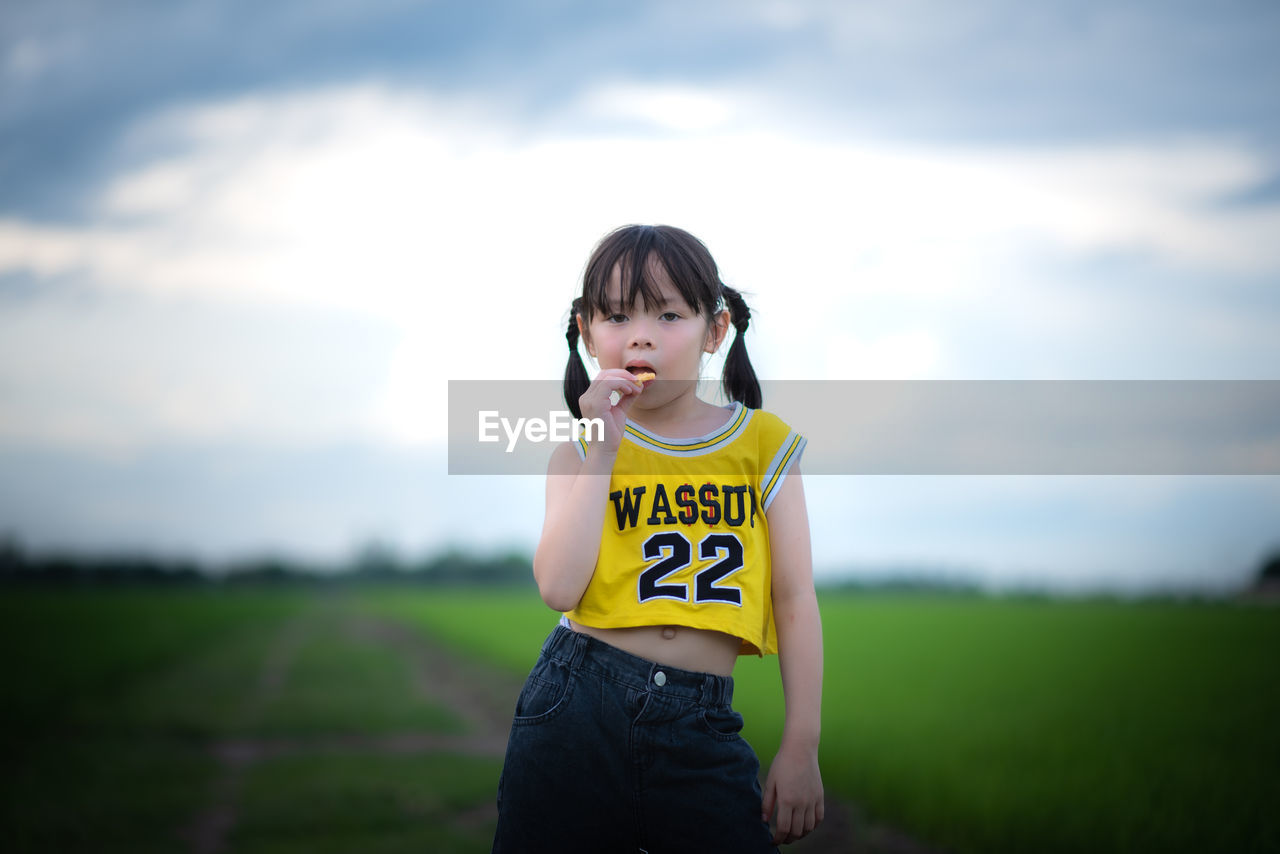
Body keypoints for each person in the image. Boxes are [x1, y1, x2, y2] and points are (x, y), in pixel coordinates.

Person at [492, 225, 823, 853]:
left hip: (700, 720)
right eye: (617, 315)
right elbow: (559, 587)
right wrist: (604, 452)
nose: (640, 334)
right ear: (588, 333)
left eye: (668, 314)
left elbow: (795, 595)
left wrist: (801, 744)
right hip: (575, 706)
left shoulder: (763, 444)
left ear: (715, 331)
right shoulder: (581, 451)